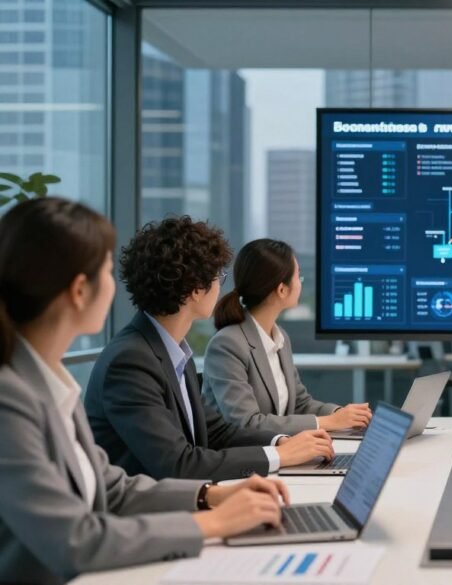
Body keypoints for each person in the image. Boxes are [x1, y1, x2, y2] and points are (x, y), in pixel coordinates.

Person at [0, 198, 290, 584]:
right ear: (79, 291)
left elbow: (111, 488)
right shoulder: (10, 401)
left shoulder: (51, 384)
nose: (114, 284)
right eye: (105, 270)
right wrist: (213, 523)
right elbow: (76, 540)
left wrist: (209, 496)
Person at [86, 217, 335, 482]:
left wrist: (281, 442)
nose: (220, 285)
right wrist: (280, 457)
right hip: (150, 514)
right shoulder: (131, 361)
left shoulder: (173, 353)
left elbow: (217, 432)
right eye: (218, 276)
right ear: (195, 289)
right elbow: (179, 464)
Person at [202, 238, 372, 435]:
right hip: (243, 459)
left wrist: (341, 414)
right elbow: (246, 423)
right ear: (282, 290)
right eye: (298, 276)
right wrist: (329, 421)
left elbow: (299, 403)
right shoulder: (227, 344)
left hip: (280, 452)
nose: (300, 283)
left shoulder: (280, 337)